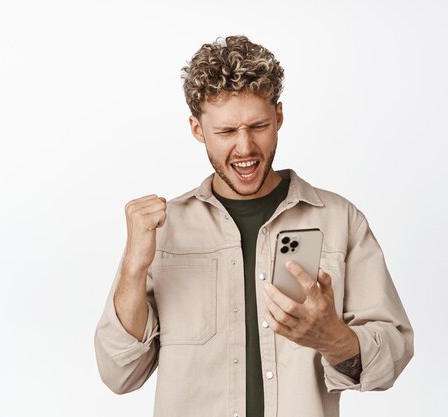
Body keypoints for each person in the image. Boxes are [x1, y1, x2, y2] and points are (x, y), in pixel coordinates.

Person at [94, 35, 414, 417]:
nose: (245, 148)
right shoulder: (163, 230)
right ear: (197, 129)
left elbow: (392, 357)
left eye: (258, 126)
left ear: (279, 117)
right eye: (226, 132)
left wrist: (334, 338)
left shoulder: (339, 219)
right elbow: (119, 373)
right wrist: (133, 266)